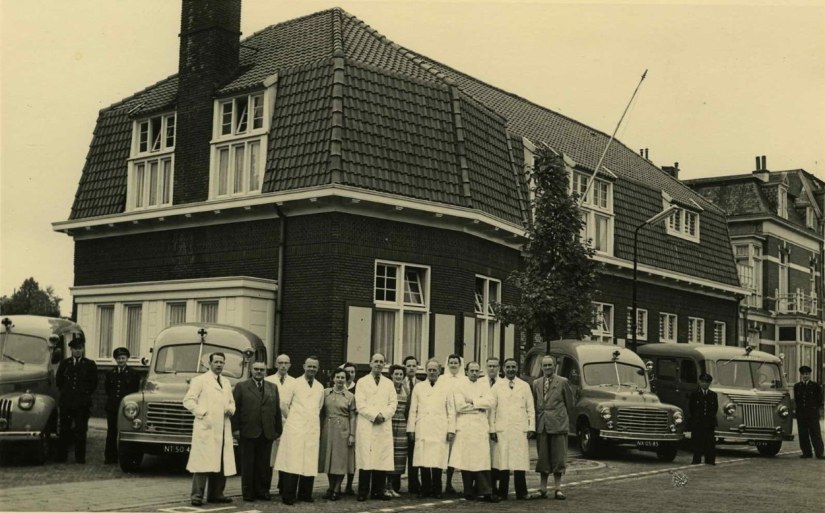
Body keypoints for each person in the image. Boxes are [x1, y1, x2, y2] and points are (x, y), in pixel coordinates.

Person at [183, 352, 236, 506]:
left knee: (220, 461)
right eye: (216, 362)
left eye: (221, 362)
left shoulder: (226, 382)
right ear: (209, 363)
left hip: (222, 427)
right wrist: (203, 413)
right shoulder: (200, 380)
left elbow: (231, 402)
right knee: (202, 462)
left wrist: (230, 409)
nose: (219, 365)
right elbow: (188, 401)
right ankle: (197, 495)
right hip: (207, 427)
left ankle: (216, 494)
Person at [275, 356, 325, 505]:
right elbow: (284, 405)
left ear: (318, 369)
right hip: (295, 428)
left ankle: (305, 494)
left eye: (314, 367)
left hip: (311, 429)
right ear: (304, 366)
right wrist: (293, 420)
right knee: (293, 461)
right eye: (309, 366)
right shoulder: (294, 383)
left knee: (309, 461)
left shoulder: (319, 387)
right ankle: (288, 495)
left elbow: (319, 406)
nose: (311, 369)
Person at [232, 361, 283, 502]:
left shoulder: (273, 387)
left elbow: (277, 410)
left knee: (264, 464)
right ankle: (248, 492)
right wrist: (235, 429)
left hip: (267, 432)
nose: (259, 371)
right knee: (248, 464)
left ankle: (263, 491)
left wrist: (278, 430)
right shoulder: (241, 386)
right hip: (248, 431)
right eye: (256, 369)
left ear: (266, 371)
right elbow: (235, 409)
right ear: (251, 370)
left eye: (262, 369)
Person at [449, 361, 498, 502]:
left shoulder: (484, 385)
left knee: (481, 460)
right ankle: (468, 491)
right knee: (466, 459)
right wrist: (479, 405)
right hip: (466, 427)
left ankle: (485, 491)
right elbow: (459, 406)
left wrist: (471, 401)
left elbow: (490, 402)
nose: (475, 373)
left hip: (480, 427)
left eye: (477, 371)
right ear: (466, 371)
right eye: (472, 370)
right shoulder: (460, 386)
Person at [408, 359, 456, 499]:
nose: (432, 372)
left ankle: (437, 489)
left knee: (437, 459)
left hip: (439, 428)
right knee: (423, 460)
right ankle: (425, 488)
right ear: (426, 371)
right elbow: (413, 410)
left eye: (435, 370)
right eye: (429, 370)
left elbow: (451, 410)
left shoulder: (446, 388)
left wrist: (451, 429)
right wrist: (411, 429)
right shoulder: (419, 387)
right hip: (423, 427)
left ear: (439, 371)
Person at [489, 358, 534, 500]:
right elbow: (492, 410)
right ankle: (502, 492)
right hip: (502, 428)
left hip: (519, 428)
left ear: (517, 368)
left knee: (520, 461)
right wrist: (492, 429)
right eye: (508, 367)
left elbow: (530, 408)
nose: (510, 370)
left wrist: (531, 427)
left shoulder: (524, 386)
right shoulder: (497, 387)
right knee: (503, 461)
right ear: (503, 369)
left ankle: (522, 492)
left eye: (513, 367)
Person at [355, 353, 398, 501]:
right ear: (370, 363)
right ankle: (363, 491)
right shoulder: (362, 382)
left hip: (383, 425)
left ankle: (378, 491)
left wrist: (383, 416)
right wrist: (374, 416)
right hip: (367, 424)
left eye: (381, 362)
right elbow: (360, 404)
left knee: (381, 458)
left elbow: (393, 403)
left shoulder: (389, 383)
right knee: (366, 459)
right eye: (376, 361)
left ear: (384, 365)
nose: (378, 364)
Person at [531, 356, 573, 500]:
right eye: (545, 365)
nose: (547, 368)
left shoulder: (563, 382)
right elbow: (535, 403)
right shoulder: (536, 383)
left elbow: (570, 403)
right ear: (541, 367)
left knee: (558, 457)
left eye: (550, 365)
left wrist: (563, 420)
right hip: (542, 425)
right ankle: (542, 488)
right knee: (543, 457)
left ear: (555, 366)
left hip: (558, 425)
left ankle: (558, 488)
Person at [55, 337, 98, 464]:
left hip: (82, 404)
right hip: (67, 402)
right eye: (75, 349)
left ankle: (80, 457)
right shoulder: (65, 364)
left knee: (81, 430)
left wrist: (84, 394)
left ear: (83, 349)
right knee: (64, 430)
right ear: (71, 350)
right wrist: (67, 393)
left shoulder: (89, 364)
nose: (77, 351)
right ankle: (62, 456)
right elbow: (59, 381)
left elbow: (93, 383)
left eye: (80, 348)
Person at [319, 368, 357, 500]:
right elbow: (321, 412)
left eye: (342, 378)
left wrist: (352, 434)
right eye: (338, 377)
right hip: (328, 428)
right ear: (333, 378)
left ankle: (337, 488)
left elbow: (353, 417)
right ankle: (330, 487)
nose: (340, 380)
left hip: (343, 429)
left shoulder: (350, 396)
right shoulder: (325, 393)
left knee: (340, 460)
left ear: (346, 380)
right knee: (329, 459)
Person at [103, 346, 140, 464]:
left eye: (123, 358)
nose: (121, 360)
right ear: (115, 359)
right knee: (111, 432)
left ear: (127, 359)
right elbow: (108, 389)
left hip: (127, 408)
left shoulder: (133, 373)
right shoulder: (110, 373)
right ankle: (110, 457)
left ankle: (127, 457)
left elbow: (134, 390)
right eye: (119, 358)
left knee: (127, 431)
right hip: (113, 407)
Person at [265, 354, 295, 494]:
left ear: (289, 365)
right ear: (276, 364)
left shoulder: (294, 382)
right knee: (269, 457)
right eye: (280, 363)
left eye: (286, 363)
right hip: (271, 423)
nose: (283, 365)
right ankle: (265, 487)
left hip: (288, 422)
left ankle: (283, 486)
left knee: (286, 455)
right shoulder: (268, 380)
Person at [386, 364, 410, 496]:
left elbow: (408, 409)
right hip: (389, 423)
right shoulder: (387, 388)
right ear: (391, 375)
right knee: (387, 453)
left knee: (399, 455)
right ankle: (385, 486)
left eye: (401, 374)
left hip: (401, 424)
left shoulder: (406, 389)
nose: (399, 376)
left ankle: (393, 486)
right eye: (396, 374)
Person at [442, 354, 464, 495]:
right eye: (451, 362)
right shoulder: (442, 380)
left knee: (457, 453)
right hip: (446, 419)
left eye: (456, 363)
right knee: (445, 452)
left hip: (461, 418)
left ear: (460, 365)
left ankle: (453, 483)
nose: (453, 365)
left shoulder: (464, 380)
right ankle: (444, 483)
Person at [793, 365, 824, 459]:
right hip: (801, 414)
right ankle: (806, 453)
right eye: (803, 374)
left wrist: (814, 410)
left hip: (812, 414)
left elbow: (819, 400)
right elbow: (797, 400)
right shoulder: (797, 386)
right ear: (801, 375)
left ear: (810, 375)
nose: (805, 376)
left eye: (807, 374)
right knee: (803, 434)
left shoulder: (815, 386)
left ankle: (819, 453)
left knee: (815, 433)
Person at [688, 372, 718, 465]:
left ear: (709, 383)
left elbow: (715, 408)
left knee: (710, 442)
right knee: (697, 441)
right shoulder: (695, 394)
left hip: (709, 423)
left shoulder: (713, 395)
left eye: (707, 382)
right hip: (698, 422)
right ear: (699, 382)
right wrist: (694, 419)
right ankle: (696, 459)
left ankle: (710, 460)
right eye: (703, 381)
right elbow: (691, 408)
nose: (705, 384)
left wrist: (711, 419)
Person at [403, 355, 421, 493]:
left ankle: (414, 483)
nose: (411, 368)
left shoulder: (421, 384)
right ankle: (394, 483)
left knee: (414, 453)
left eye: (414, 366)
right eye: (408, 366)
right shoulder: (398, 382)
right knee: (399, 454)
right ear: (405, 367)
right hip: (401, 423)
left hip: (416, 424)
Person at [340, 361, 358, 495]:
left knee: (353, 456)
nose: (350, 374)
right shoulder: (339, 386)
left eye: (352, 372)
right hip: (340, 425)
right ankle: (337, 484)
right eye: (347, 372)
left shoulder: (357, 388)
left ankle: (349, 485)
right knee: (341, 454)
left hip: (354, 423)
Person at [485, 357, 501, 492]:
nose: (492, 368)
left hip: (497, 425)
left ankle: (494, 485)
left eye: (494, 366)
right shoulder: (480, 383)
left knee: (495, 457)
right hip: (481, 424)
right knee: (482, 456)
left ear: (499, 368)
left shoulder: (503, 384)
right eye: (489, 366)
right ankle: (479, 485)